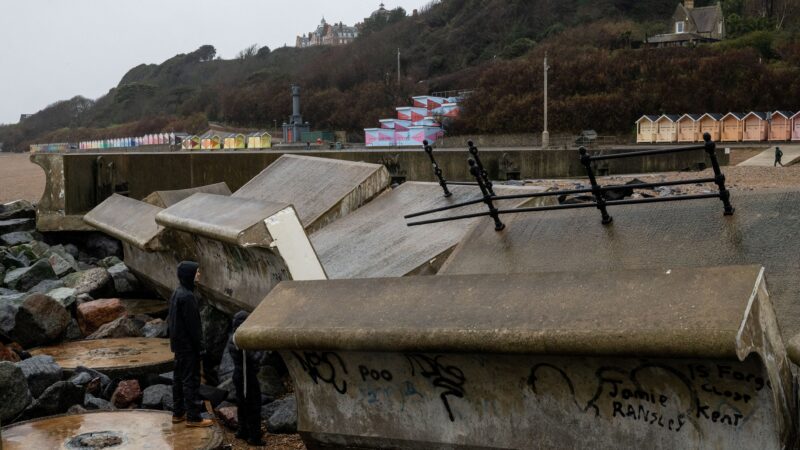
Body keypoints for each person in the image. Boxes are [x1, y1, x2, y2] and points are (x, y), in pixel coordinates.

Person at [168, 261, 213, 427]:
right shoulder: (188, 297)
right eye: (197, 272)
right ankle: (194, 417)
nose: (199, 275)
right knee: (191, 381)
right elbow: (194, 327)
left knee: (178, 380)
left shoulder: (177, 293)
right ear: (190, 275)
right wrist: (200, 347)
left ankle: (178, 413)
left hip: (178, 346)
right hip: (188, 347)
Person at [227, 311, 266, 446]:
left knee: (241, 404)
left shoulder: (232, 338)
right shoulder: (242, 340)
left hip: (238, 374)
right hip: (247, 376)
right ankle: (254, 437)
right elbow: (253, 358)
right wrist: (262, 349)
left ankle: (242, 430)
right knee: (253, 405)